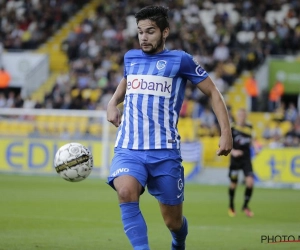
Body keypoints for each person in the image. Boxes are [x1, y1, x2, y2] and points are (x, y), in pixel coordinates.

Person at [106, 6, 233, 250]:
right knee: (125, 192)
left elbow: (213, 93)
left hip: (164, 152)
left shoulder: (180, 60)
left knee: (172, 221)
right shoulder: (131, 58)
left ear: (165, 32)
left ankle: (179, 241)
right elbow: (126, 82)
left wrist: (226, 132)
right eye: (140, 32)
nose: (144, 37)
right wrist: (112, 103)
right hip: (128, 148)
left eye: (150, 31)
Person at [228, 108, 255, 218]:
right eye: (240, 115)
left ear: (246, 116)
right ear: (237, 115)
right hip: (235, 160)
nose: (242, 116)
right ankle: (231, 206)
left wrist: (256, 148)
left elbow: (251, 140)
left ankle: (245, 206)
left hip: (246, 159)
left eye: (244, 115)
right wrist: (233, 151)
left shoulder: (249, 127)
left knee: (250, 182)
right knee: (234, 184)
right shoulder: (232, 127)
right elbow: (226, 142)